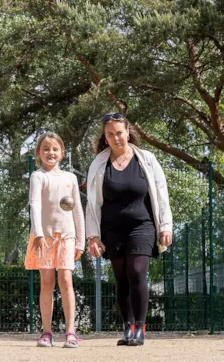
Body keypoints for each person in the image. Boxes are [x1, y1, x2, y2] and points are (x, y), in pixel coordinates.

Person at [85, 113, 173, 346]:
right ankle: (127, 328)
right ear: (105, 137)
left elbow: (161, 193)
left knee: (136, 272)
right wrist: (93, 236)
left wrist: (165, 226)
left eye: (119, 133)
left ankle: (140, 328)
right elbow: (92, 203)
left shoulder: (147, 159)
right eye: (110, 134)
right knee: (121, 279)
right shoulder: (98, 164)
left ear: (128, 132)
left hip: (142, 225)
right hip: (112, 229)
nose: (116, 138)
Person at [25, 132, 85, 348]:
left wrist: (81, 240)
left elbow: (77, 209)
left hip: (67, 237)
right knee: (47, 282)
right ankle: (47, 332)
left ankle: (71, 332)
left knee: (66, 280)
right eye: (45, 149)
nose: (50, 152)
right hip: (45, 238)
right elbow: (35, 205)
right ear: (39, 153)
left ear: (62, 152)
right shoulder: (38, 176)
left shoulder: (70, 178)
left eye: (55, 149)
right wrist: (38, 234)